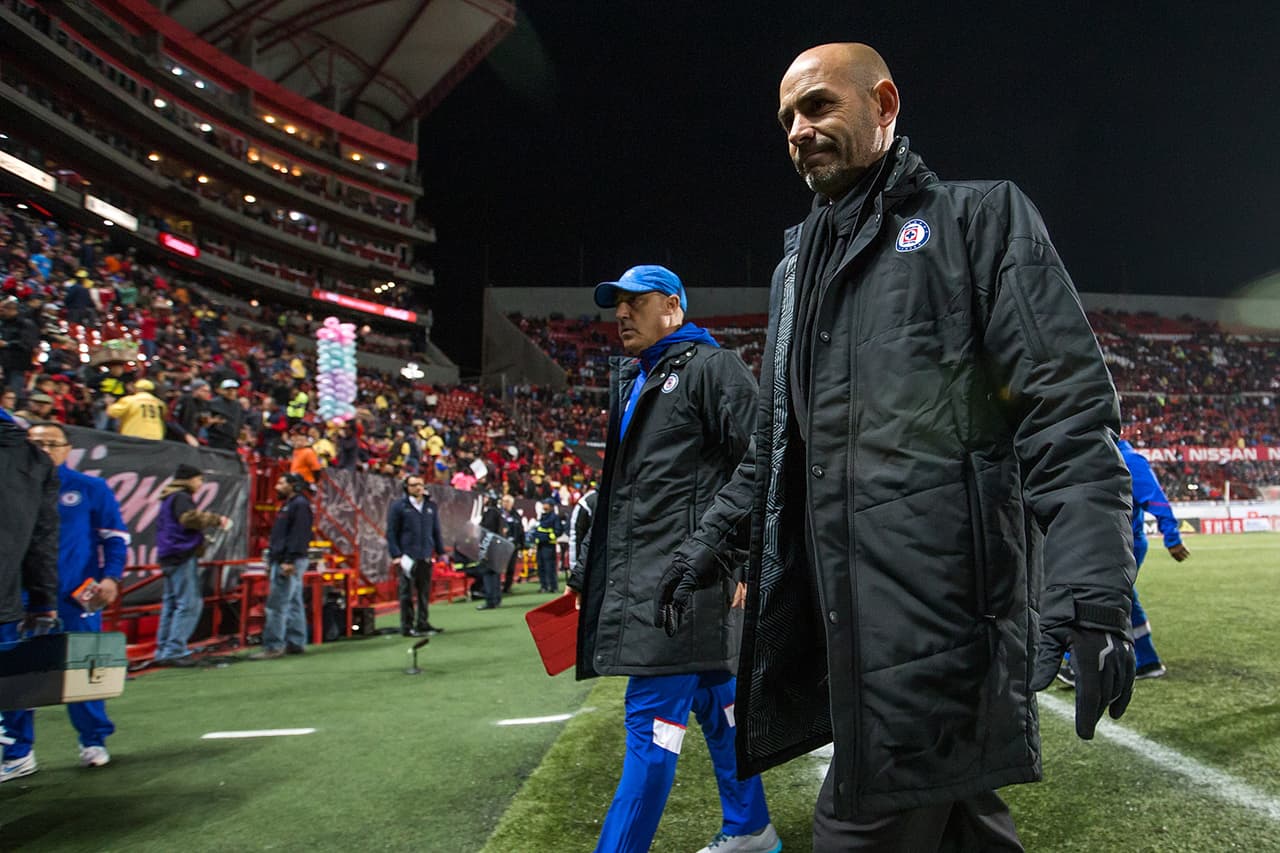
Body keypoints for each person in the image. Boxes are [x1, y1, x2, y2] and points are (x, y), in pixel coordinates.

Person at [655, 43, 1137, 851]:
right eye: (786, 119)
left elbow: (1066, 412)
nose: (798, 131)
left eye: (817, 107)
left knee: (860, 826)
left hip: (945, 634)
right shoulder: (794, 270)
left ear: (884, 104)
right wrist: (708, 545)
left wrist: (1092, 593)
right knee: (964, 830)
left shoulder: (978, 222)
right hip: (850, 638)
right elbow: (778, 444)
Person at [568, 265, 777, 853]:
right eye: (617, 304)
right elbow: (622, 496)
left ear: (674, 307)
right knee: (719, 705)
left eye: (636, 302)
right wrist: (590, 568)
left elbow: (763, 461)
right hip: (662, 584)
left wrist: (734, 559)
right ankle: (751, 827)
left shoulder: (711, 368)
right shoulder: (639, 379)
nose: (621, 314)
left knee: (650, 728)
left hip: (680, 587)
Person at [2, 422, 128, 778]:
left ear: (66, 449)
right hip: (19, 597)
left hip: (76, 596)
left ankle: (93, 740)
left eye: (50, 443)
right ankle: (18, 751)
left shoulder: (90, 488)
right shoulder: (13, 487)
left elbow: (114, 537)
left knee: (84, 671)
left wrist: (111, 577)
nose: (42, 448)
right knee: (15, 676)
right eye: (35, 442)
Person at [0, 409, 59, 780]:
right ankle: (17, 750)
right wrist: (43, 599)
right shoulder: (33, 461)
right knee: (10, 676)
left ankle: (18, 751)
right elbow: (42, 540)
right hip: (6, 599)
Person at [1115, 440, 1191, 679]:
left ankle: (1072, 659)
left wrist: (1172, 537)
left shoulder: (1129, 459)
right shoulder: (1101, 454)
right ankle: (1147, 660)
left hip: (1127, 542)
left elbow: (1155, 498)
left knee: (1100, 592)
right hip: (1110, 541)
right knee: (1122, 594)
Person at [153, 463, 232, 666]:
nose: (200, 483)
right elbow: (189, 519)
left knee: (171, 604)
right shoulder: (181, 497)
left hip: (168, 554)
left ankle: (164, 649)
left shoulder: (169, 497)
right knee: (189, 604)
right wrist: (216, 519)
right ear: (189, 479)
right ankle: (175, 650)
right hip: (181, 554)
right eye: (199, 479)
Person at [251, 474, 313, 659]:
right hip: (287, 558)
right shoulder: (291, 504)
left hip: (289, 560)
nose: (277, 486)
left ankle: (274, 646)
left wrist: (288, 560)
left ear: (293, 485)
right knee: (294, 602)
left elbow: (298, 535)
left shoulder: (298, 505)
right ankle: (296, 642)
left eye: (281, 482)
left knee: (276, 605)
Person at [385, 474, 444, 637]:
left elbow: (436, 531)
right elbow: (391, 532)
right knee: (407, 594)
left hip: (425, 555)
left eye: (420, 484)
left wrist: (441, 552)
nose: (418, 487)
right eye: (414, 485)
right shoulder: (398, 506)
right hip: (407, 557)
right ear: (406, 487)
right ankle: (407, 626)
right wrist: (396, 554)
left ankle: (423, 623)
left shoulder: (430, 506)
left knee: (424, 592)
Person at [205, 379, 244, 452]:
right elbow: (203, 421)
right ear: (221, 390)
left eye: (234, 390)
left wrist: (242, 438)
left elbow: (241, 424)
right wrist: (213, 421)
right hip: (216, 441)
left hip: (232, 443)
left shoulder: (238, 405)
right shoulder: (213, 403)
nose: (231, 392)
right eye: (228, 389)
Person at [496, 494, 525, 593]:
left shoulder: (516, 515)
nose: (505, 504)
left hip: (512, 545)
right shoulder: (498, 513)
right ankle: (496, 586)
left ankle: (507, 587)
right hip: (499, 545)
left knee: (510, 567)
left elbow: (520, 529)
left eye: (507, 502)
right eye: (504, 501)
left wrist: (522, 543)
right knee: (498, 567)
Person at [532, 501, 562, 593]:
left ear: (551, 506)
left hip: (549, 546)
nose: (544, 506)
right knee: (541, 566)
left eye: (546, 504)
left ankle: (553, 586)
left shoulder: (554, 517)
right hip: (540, 545)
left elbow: (558, 531)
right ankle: (544, 586)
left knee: (550, 566)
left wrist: (547, 537)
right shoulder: (542, 517)